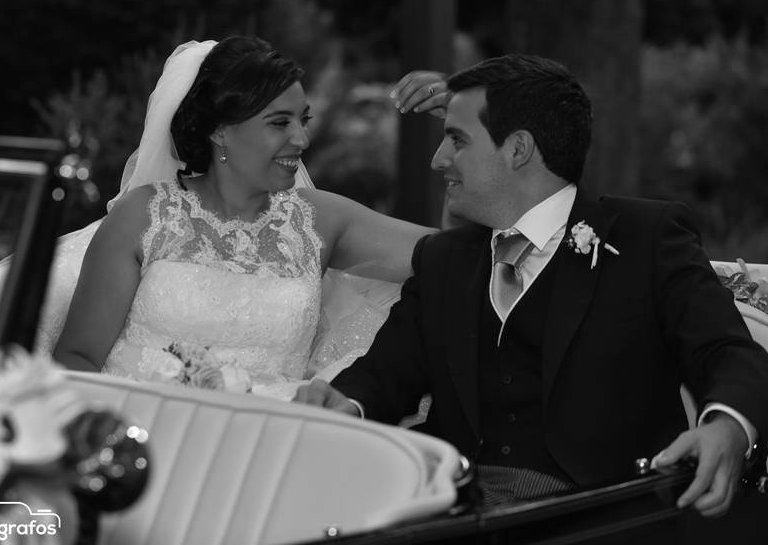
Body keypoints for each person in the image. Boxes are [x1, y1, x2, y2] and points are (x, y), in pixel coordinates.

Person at [295, 53, 768, 519]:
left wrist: (726, 428)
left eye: (456, 140)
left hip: (606, 518)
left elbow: (729, 352)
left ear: (518, 149)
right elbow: (384, 373)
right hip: (454, 513)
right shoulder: (445, 260)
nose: (438, 160)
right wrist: (343, 403)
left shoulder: (646, 238)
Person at [48, 35, 434, 399]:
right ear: (220, 132)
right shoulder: (144, 216)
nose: (301, 139)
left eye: (304, 120)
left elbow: (455, 254)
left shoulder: (322, 221)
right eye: (280, 122)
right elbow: (77, 358)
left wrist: (474, 111)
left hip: (272, 441)